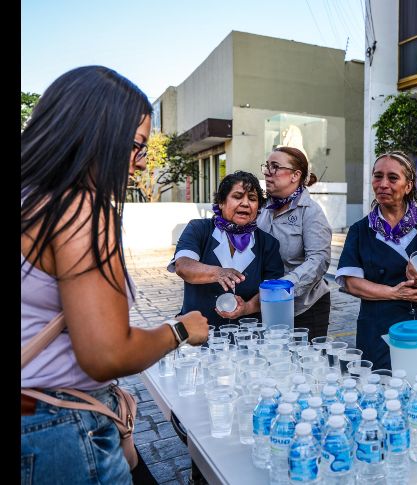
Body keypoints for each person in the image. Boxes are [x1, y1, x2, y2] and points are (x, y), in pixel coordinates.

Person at [21, 66, 209, 484]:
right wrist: (179, 330)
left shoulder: (30, 198)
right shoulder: (79, 208)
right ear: (96, 134)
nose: (139, 162)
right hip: (59, 429)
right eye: (137, 146)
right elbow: (106, 354)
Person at [335, 151, 417, 369]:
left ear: (408, 186)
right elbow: (352, 282)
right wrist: (394, 293)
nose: (383, 184)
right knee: (381, 387)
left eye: (392, 178)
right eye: (377, 176)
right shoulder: (361, 230)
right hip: (377, 327)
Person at [169, 171, 285, 329]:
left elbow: (273, 291)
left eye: (252, 199)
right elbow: (183, 266)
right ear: (221, 202)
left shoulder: (268, 243)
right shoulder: (198, 229)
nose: (245, 203)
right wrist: (217, 272)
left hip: (247, 336)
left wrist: (247, 308)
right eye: (237, 196)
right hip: (197, 333)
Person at [257, 147, 333, 339]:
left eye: (275, 167)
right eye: (267, 166)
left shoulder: (310, 212)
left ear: (295, 175)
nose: (267, 172)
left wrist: (286, 285)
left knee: (305, 364)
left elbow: (319, 259)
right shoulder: (263, 208)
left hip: (305, 307)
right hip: (267, 303)